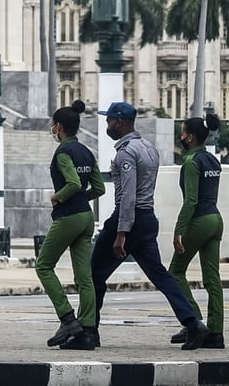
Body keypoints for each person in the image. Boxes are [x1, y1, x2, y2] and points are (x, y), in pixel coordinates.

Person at [91, 102, 210, 351]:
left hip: (128, 219)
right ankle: (192, 323)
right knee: (161, 275)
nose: (107, 125)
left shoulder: (126, 153)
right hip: (147, 219)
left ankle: (89, 329)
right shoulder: (149, 149)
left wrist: (121, 233)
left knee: (94, 275)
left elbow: (128, 196)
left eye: (109, 121)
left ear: (120, 122)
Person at [36, 100, 105, 351]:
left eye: (53, 125)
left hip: (68, 217)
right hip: (86, 217)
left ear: (59, 127)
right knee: (84, 277)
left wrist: (58, 197)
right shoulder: (87, 152)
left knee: (43, 265)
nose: (52, 129)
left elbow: (74, 183)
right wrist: (79, 199)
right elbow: (99, 188)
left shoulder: (63, 152)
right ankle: (87, 330)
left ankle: (66, 318)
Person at [167, 113, 225, 349]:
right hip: (215, 219)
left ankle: (195, 323)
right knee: (212, 279)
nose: (180, 136)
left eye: (182, 132)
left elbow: (191, 200)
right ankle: (216, 332)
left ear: (189, 137)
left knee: (174, 272)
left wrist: (179, 230)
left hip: (199, 220)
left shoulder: (191, 162)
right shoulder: (213, 161)